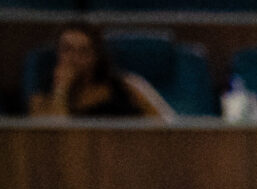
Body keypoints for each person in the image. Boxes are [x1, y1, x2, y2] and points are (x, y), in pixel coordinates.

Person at [30, 23, 171, 119]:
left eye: (83, 51)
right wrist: (61, 90)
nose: (74, 58)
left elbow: (166, 125)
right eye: (67, 49)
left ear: (96, 56)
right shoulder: (42, 96)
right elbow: (56, 141)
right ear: (57, 52)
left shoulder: (128, 86)